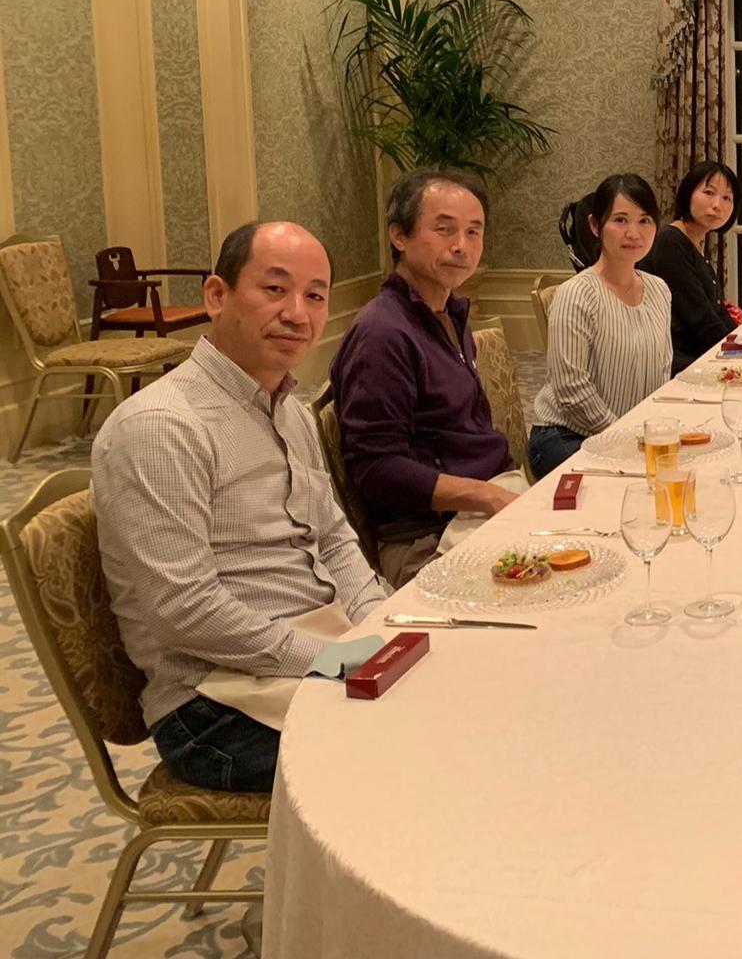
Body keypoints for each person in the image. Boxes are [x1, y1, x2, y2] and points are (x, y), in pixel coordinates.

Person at [95, 221, 387, 794]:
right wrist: (335, 659)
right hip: (214, 705)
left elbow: (333, 537)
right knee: (424, 749)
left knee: (462, 691)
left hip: (311, 651)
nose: (297, 313)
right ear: (216, 295)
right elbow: (185, 610)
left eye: (315, 296)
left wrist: (380, 626)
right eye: (275, 289)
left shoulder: (291, 410)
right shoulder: (162, 427)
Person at [330, 170, 523, 586]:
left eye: (473, 232)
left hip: (485, 503)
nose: (461, 246)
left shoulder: (447, 313)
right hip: (427, 536)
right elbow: (377, 469)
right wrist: (487, 495)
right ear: (399, 235)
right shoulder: (383, 333)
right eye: (444, 229)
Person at [529, 174, 675, 477]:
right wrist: (624, 439)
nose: (633, 233)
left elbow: (661, 369)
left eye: (645, 221)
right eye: (620, 220)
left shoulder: (659, 289)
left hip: (630, 434)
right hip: (565, 436)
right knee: (641, 483)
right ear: (596, 226)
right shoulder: (577, 294)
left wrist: (652, 432)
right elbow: (571, 390)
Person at [648, 161, 742, 373]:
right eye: (709, 192)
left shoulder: (694, 246)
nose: (717, 205)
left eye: (727, 198)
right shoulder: (670, 243)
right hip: (677, 364)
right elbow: (701, 320)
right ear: (688, 193)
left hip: (701, 357)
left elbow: (717, 312)